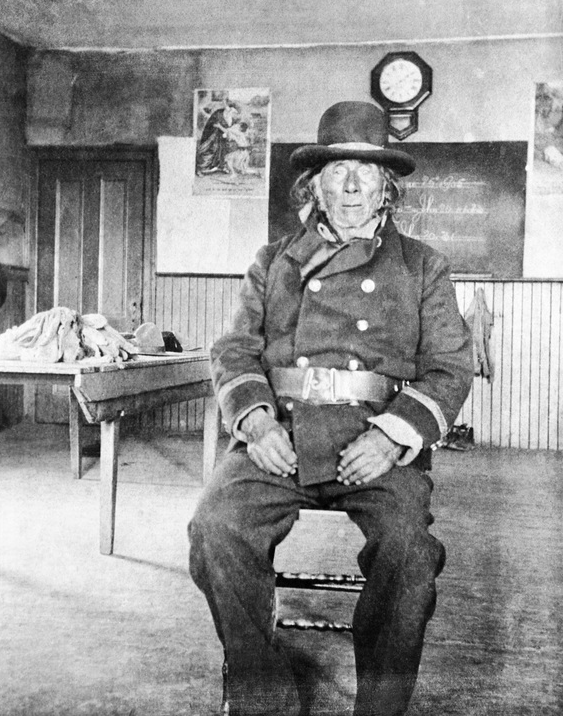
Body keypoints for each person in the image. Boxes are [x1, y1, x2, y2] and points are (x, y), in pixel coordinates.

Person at [189, 101, 474, 716]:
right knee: (214, 529)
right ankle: (263, 693)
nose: (350, 185)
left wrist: (394, 437)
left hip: (374, 442)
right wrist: (256, 421)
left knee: (409, 553)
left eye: (365, 172)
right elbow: (235, 350)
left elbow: (449, 368)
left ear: (386, 187)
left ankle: (380, 706)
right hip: (280, 437)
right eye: (337, 170)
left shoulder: (423, 266)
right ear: (313, 184)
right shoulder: (273, 262)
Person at [196, 101, 240, 175]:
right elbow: (213, 124)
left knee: (222, 152)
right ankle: (200, 169)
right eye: (232, 110)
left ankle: (221, 167)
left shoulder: (231, 117)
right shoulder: (219, 113)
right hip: (213, 136)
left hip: (222, 138)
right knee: (210, 151)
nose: (233, 113)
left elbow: (228, 128)